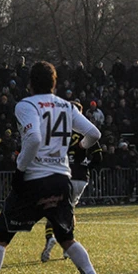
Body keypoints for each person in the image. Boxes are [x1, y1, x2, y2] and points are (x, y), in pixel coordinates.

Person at [0, 61, 109, 274]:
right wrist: (80, 147)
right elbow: (95, 133)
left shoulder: (26, 105)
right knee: (67, 238)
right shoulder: (67, 106)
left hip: (34, 179)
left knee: (2, 236)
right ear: (54, 83)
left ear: (30, 83)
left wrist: (20, 170)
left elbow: (34, 138)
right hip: (60, 179)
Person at [40, 101, 103, 262]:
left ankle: (51, 239)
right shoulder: (86, 130)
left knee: (51, 210)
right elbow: (98, 157)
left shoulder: (59, 129)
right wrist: (87, 164)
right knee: (70, 210)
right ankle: (68, 247)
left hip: (63, 175)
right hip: (81, 177)